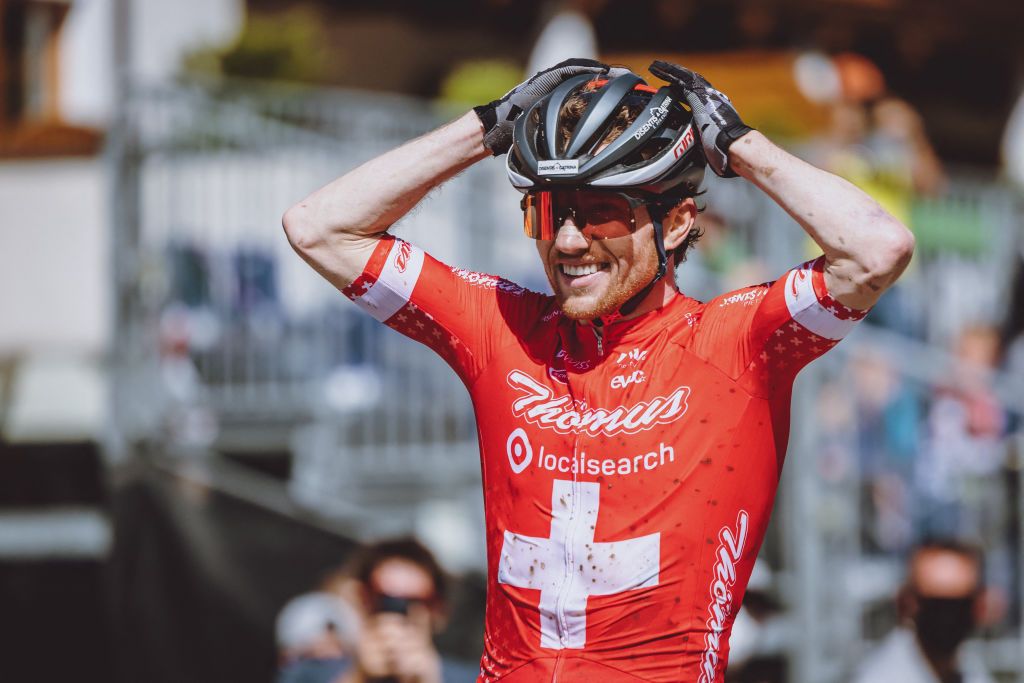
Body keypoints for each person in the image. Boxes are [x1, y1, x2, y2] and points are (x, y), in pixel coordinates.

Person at [283, 58, 914, 682]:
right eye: (547, 210)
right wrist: (488, 128)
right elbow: (319, 230)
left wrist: (741, 148)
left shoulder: (736, 343)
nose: (567, 241)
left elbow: (876, 251)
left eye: (601, 213)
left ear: (677, 222)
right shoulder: (499, 325)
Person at [852, 540, 995, 683]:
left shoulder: (969, 667)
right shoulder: (882, 677)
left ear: (979, 606)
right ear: (905, 604)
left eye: (958, 605)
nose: (946, 618)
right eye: (936, 605)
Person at [338, 538, 478, 683]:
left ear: (438, 612)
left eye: (414, 601)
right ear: (362, 600)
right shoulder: (321, 667)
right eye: (384, 599)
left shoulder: (477, 678)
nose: (396, 616)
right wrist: (358, 677)